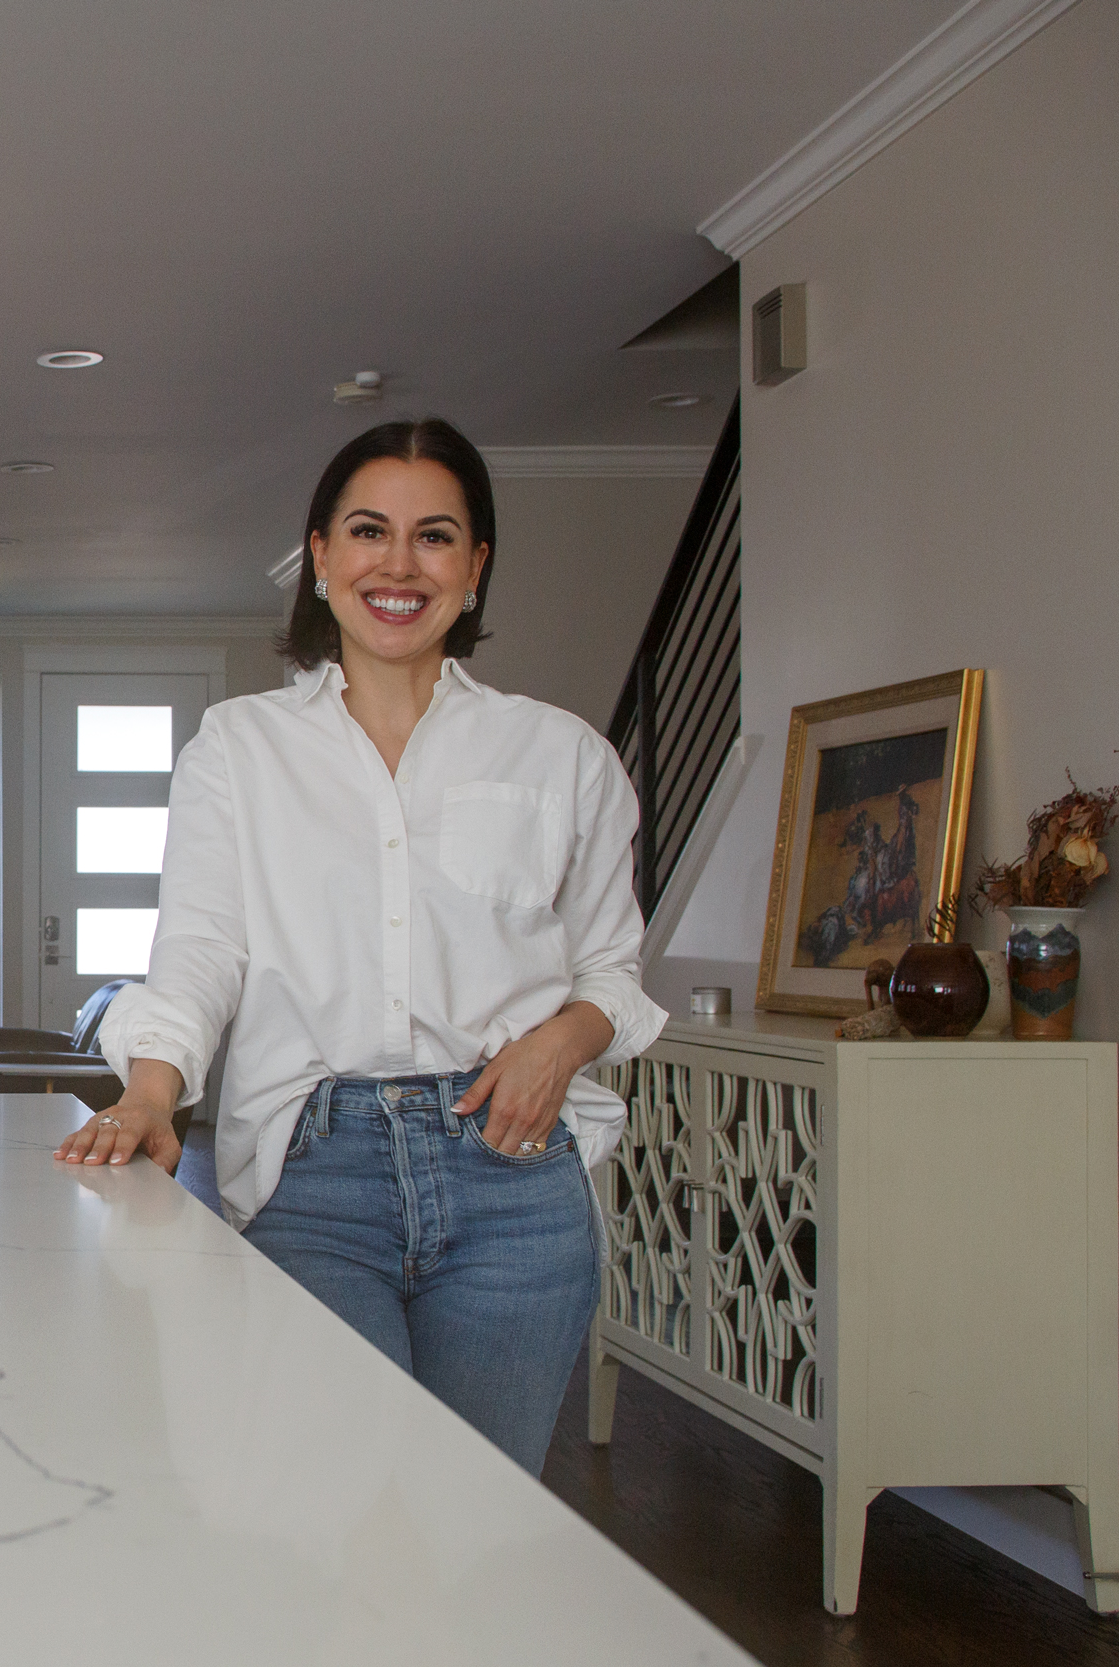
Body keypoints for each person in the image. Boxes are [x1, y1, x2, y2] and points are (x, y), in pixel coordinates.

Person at [55, 417, 666, 1472]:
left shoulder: (563, 755)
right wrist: (152, 1092)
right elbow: (203, 948)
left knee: (475, 1517)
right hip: (314, 1172)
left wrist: (562, 1040)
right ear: (322, 555)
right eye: (368, 530)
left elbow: (611, 967)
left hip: (512, 1176)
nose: (398, 562)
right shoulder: (239, 750)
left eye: (434, 536)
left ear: (473, 569)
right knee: (335, 1506)